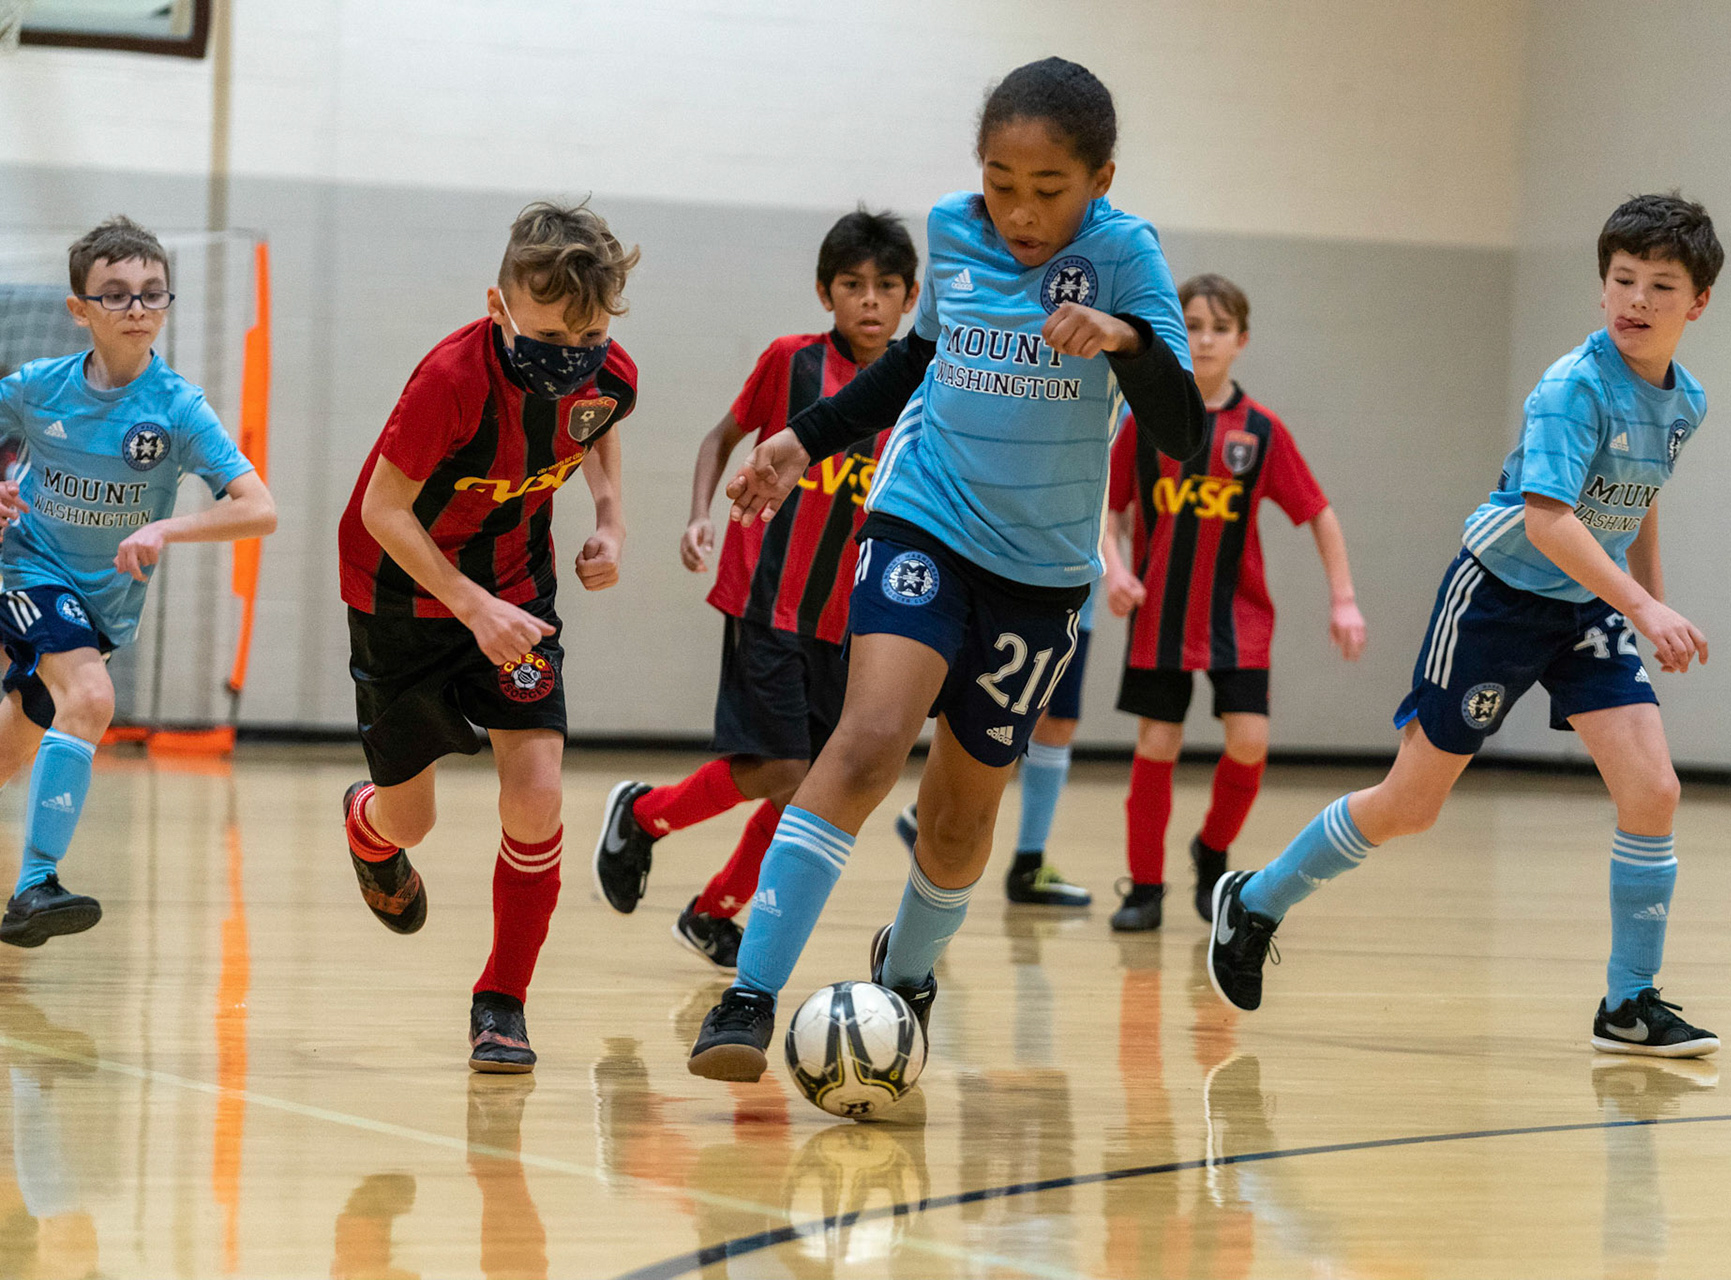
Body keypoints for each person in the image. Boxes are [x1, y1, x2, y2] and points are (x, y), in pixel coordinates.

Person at [686, 57, 1207, 1082]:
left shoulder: (1127, 257)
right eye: (1001, 182)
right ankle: (748, 993)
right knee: (871, 738)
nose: (1018, 209)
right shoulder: (953, 229)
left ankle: (907, 975)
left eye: (1047, 189)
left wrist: (1127, 340)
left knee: (966, 808)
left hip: (1043, 572)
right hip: (923, 517)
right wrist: (803, 438)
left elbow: (1183, 427)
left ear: (1101, 176)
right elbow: (913, 362)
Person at [1206, 194, 1725, 1059]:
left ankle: (1629, 1003)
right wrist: (1644, 605)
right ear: (1601, 289)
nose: (1636, 299)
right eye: (1622, 280)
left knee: (1654, 790)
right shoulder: (1573, 387)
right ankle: (1255, 899)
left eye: (1660, 286)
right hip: (1500, 598)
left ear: (1697, 304)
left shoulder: (1684, 402)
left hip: (1588, 607)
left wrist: (1647, 601)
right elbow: (1553, 521)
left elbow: (1639, 501)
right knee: (1412, 806)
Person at [335, 199, 639, 1072]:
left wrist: (610, 521)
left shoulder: (605, 370)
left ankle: (501, 1000)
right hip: (403, 594)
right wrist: (471, 606)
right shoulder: (453, 379)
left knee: (537, 793)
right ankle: (368, 826)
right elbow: (381, 510)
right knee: (412, 821)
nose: (565, 363)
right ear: (497, 307)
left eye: (581, 343)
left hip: (517, 586)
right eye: (546, 341)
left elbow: (601, 423)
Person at [593, 209, 920, 970]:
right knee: (782, 771)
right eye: (852, 285)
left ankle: (713, 913)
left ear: (910, 300)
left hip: (850, 621)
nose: (869, 300)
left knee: (807, 789)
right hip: (768, 600)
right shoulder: (791, 361)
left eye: (887, 287)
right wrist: (699, 516)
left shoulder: (920, 386)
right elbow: (720, 437)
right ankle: (645, 815)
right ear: (824, 291)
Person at [0, 216, 276, 947]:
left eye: (152, 294)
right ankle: (34, 888)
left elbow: (260, 509)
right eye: (116, 295)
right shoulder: (37, 389)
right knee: (91, 699)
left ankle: (31, 884)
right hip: (27, 569)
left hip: (103, 611)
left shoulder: (178, 408)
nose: (138, 309)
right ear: (79, 310)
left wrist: (164, 528)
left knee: (9, 754)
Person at [1103, 274, 1365, 932]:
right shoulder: (1142, 422)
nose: (1206, 338)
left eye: (1220, 328)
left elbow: (1320, 515)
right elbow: (1106, 512)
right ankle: (1144, 888)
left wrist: (1345, 600)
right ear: (1175, 334)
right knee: (1157, 744)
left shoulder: (1260, 432)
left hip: (1236, 620)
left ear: (1241, 341)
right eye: (1193, 325)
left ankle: (1212, 850)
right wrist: (1113, 569)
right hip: (1159, 617)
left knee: (1249, 745)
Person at [890, 611, 1098, 909]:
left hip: (1080, 601)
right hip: (1032, 596)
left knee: (1057, 721)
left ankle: (1029, 862)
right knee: (1000, 718)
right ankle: (939, 815)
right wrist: (1115, 570)